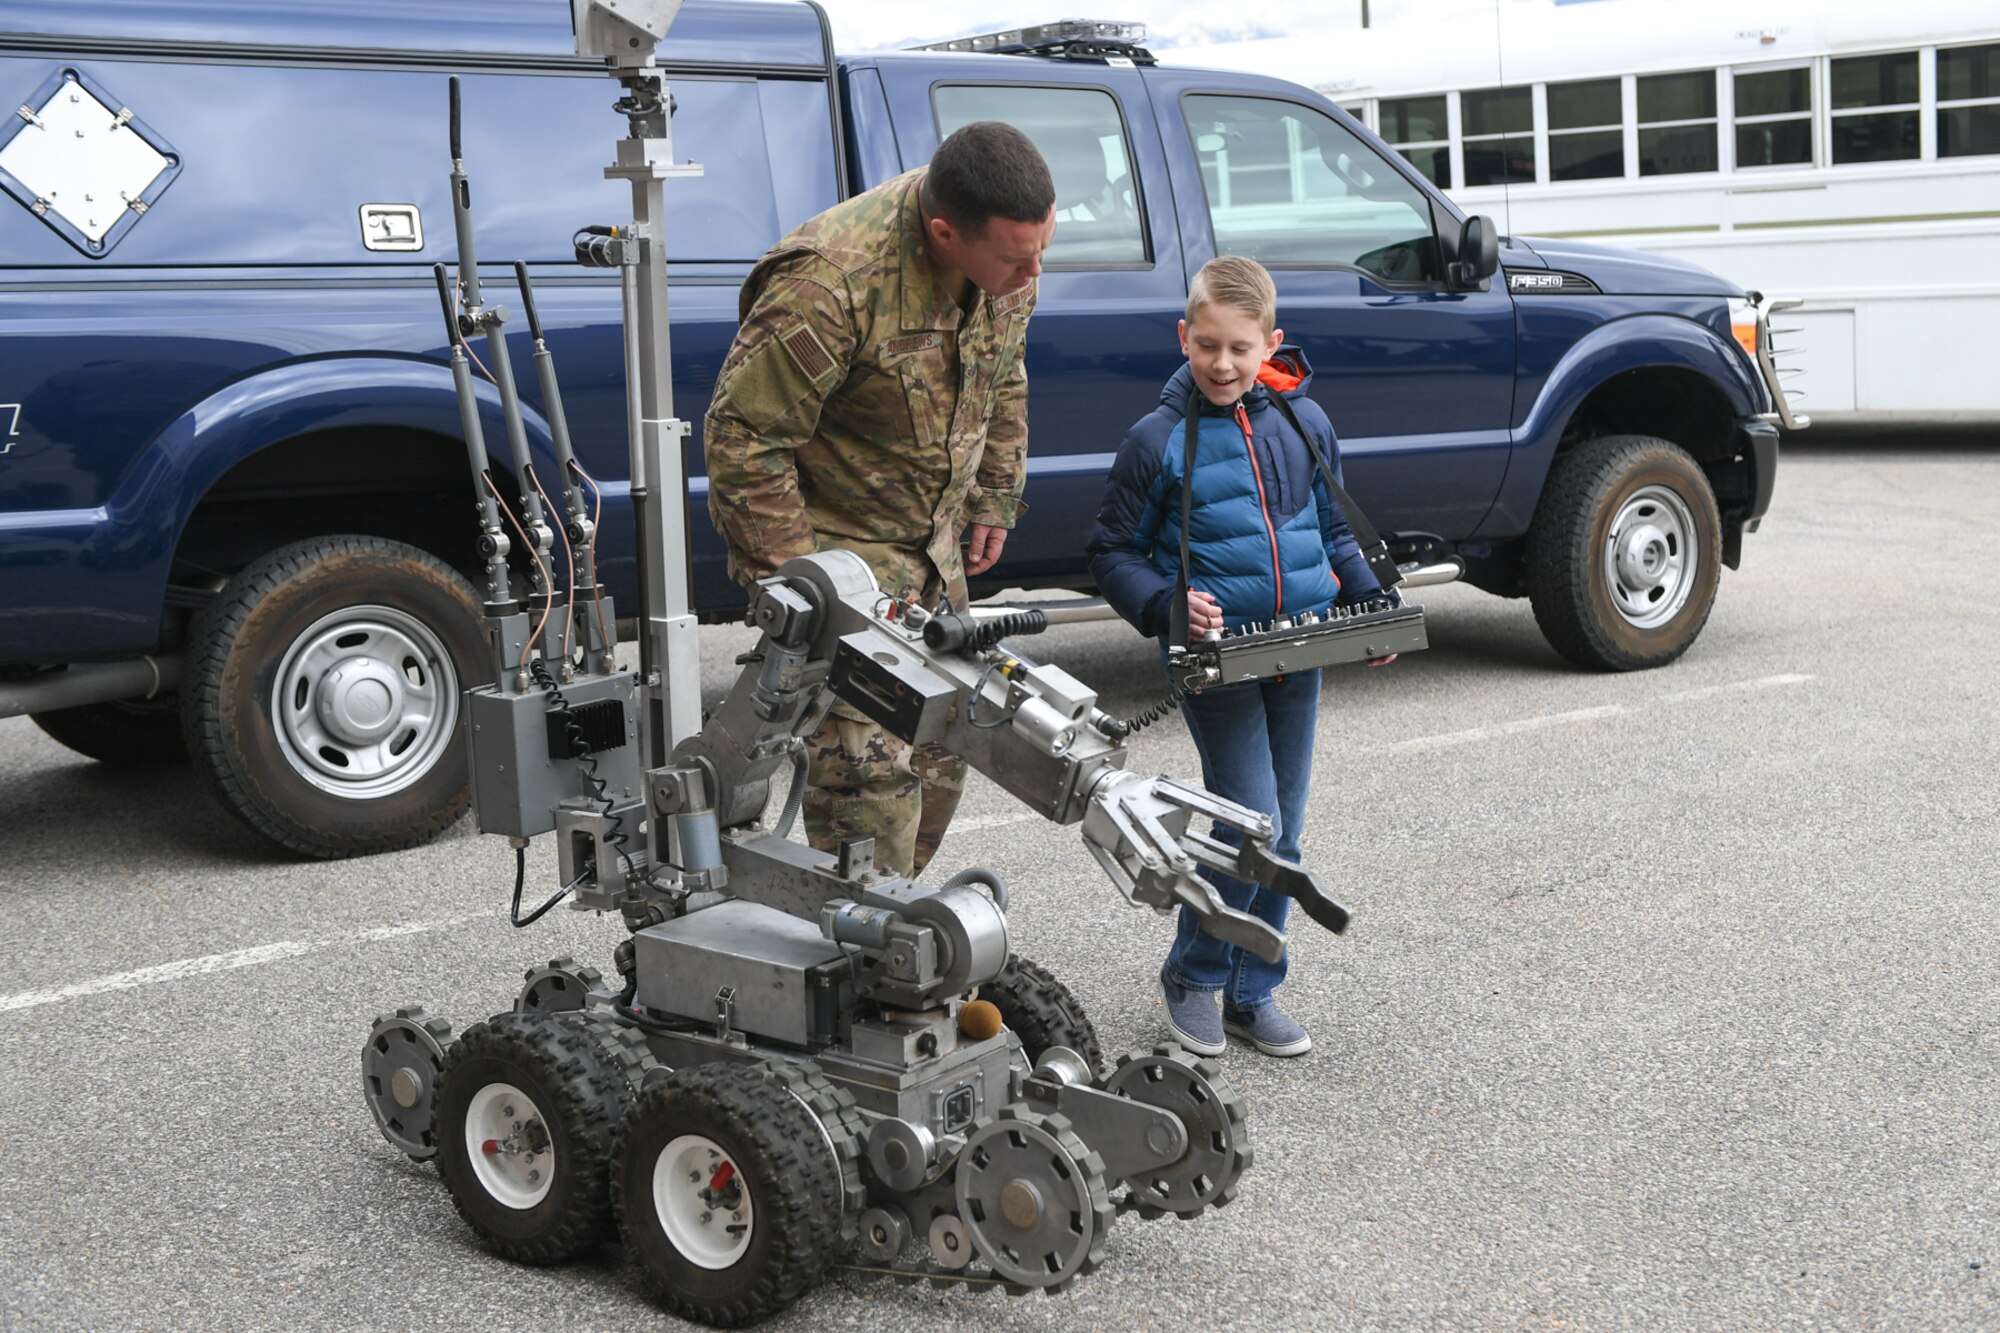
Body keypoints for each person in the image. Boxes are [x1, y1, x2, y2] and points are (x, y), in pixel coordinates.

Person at [704, 122, 1056, 880]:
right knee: (871, 795)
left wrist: (995, 493)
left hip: (931, 565)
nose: (1035, 272)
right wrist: (806, 598)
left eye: (1043, 248)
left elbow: (1005, 373)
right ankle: (862, 969)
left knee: (942, 765)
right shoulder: (829, 283)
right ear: (943, 232)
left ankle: (881, 936)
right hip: (844, 570)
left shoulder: (1007, 262)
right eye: (1017, 258)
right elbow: (743, 441)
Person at [1085, 255, 1396, 1058]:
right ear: (1184, 337)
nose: (1223, 365)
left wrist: (1367, 604)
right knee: (1250, 821)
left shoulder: (1305, 422)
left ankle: (1252, 991)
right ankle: (1193, 975)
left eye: (1240, 349)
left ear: (1271, 345)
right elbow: (1113, 551)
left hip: (1302, 650)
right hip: (1213, 661)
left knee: (1284, 832)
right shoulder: (1155, 441)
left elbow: (1332, 531)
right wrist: (1164, 605)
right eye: (1208, 346)